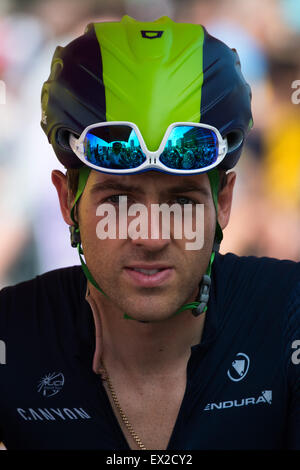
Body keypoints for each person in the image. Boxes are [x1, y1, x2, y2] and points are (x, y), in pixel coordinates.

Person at [0, 15, 299, 451]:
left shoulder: (288, 317)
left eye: (181, 201)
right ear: (68, 203)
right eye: (118, 200)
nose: (152, 235)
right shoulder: (12, 335)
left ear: (224, 203)